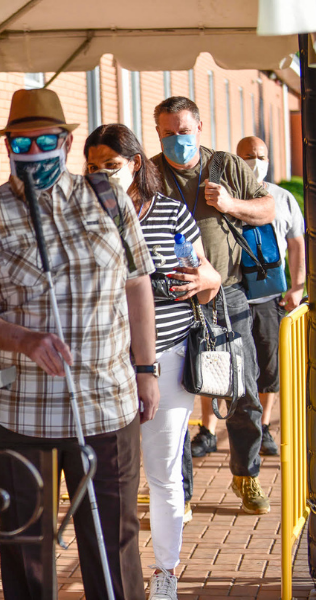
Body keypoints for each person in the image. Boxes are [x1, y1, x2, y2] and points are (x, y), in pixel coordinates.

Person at [0, 88, 160, 600]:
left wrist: (146, 368)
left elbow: (137, 283)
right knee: (26, 551)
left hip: (107, 406)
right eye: (21, 142)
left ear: (64, 142)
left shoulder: (107, 199)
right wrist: (22, 338)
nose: (33, 152)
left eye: (44, 140)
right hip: (20, 415)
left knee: (114, 548)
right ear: (9, 146)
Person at [84, 123, 221, 600]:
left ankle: (165, 572)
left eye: (112, 166)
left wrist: (201, 279)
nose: (102, 174)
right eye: (94, 167)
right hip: (104, 365)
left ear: (136, 164)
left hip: (167, 354)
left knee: (162, 471)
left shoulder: (170, 213)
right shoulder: (81, 215)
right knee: (108, 478)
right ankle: (115, 576)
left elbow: (205, 272)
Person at [152, 96, 275, 516]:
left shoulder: (225, 166)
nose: (176, 140)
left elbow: (267, 208)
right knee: (174, 399)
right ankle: (180, 496)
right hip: (171, 298)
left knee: (243, 391)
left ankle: (247, 473)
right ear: (158, 134)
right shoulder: (149, 173)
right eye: (168, 133)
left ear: (199, 129)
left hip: (228, 294)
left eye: (184, 132)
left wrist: (230, 205)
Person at [236, 135, 305, 455]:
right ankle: (208, 429)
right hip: (233, 295)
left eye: (261, 155)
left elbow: (296, 244)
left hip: (269, 297)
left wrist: (298, 286)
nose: (255, 161)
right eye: (248, 155)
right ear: (237, 158)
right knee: (222, 365)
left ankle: (263, 426)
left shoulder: (282, 198)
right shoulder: (226, 197)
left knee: (269, 365)